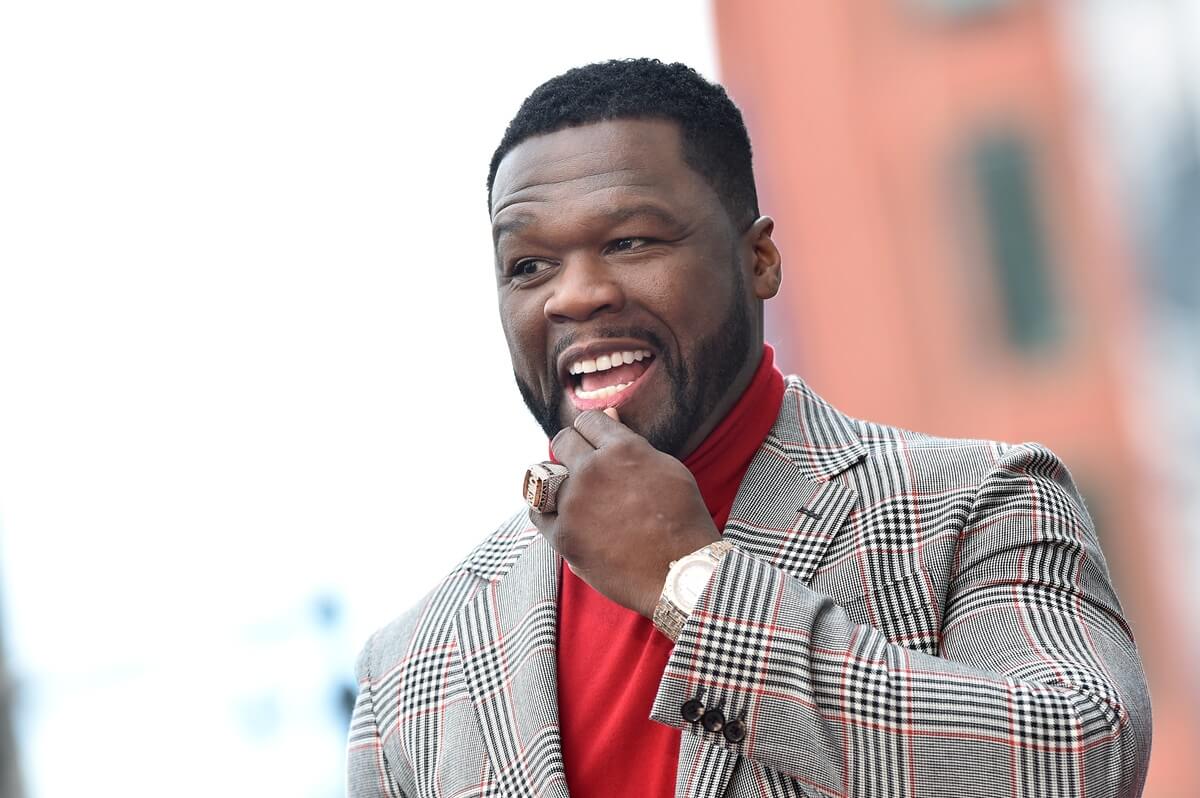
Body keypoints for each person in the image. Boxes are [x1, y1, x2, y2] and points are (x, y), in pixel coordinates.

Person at [347, 59, 1151, 798]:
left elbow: (1079, 760)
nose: (575, 295)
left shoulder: (977, 502)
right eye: (529, 266)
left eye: (629, 242)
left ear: (759, 259)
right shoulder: (412, 667)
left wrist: (692, 584)